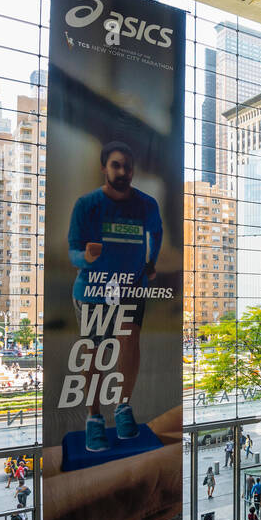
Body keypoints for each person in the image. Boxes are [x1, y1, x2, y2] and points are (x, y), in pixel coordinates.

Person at [67, 141, 163, 452]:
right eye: (116, 165)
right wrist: (87, 259)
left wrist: (151, 263)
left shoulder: (147, 205)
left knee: (129, 341)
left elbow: (157, 232)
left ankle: (122, 407)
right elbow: (73, 252)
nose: (122, 171)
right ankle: (94, 417)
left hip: (131, 287)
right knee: (95, 351)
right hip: (94, 289)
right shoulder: (87, 205)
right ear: (104, 168)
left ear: (133, 170)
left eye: (127, 166)